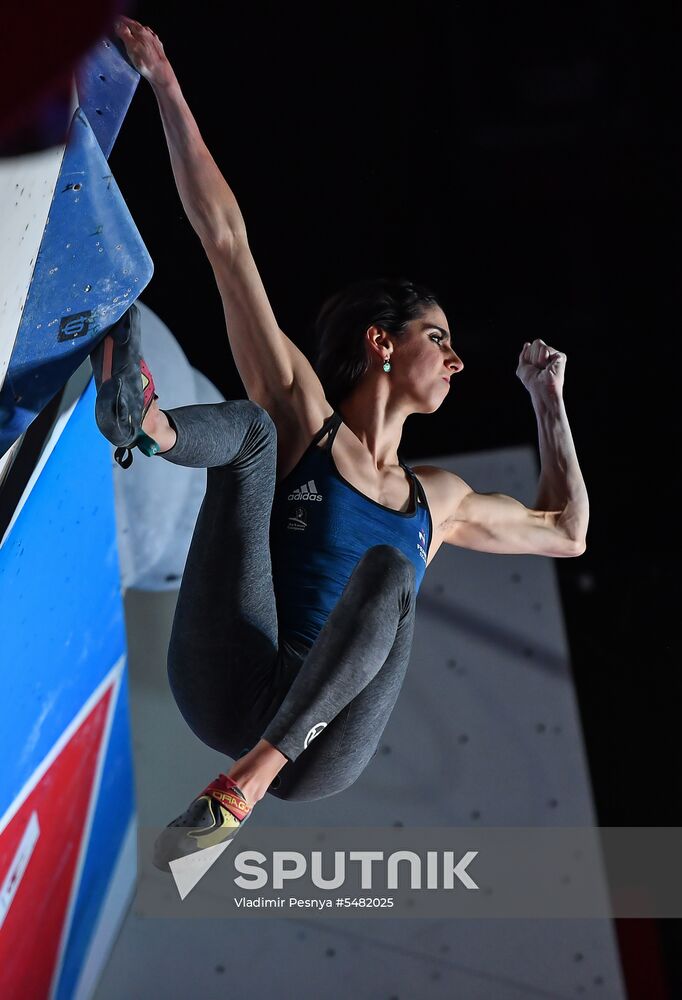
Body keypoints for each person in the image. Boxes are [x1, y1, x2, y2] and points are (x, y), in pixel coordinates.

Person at [93, 17, 589, 870]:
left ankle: (238, 792)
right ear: (382, 343)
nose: (459, 359)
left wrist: (549, 404)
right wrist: (166, 84)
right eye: (441, 339)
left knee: (395, 571)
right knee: (251, 428)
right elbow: (225, 242)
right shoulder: (303, 415)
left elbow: (568, 528)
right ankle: (145, 424)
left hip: (317, 751)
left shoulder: (442, 502)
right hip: (226, 670)